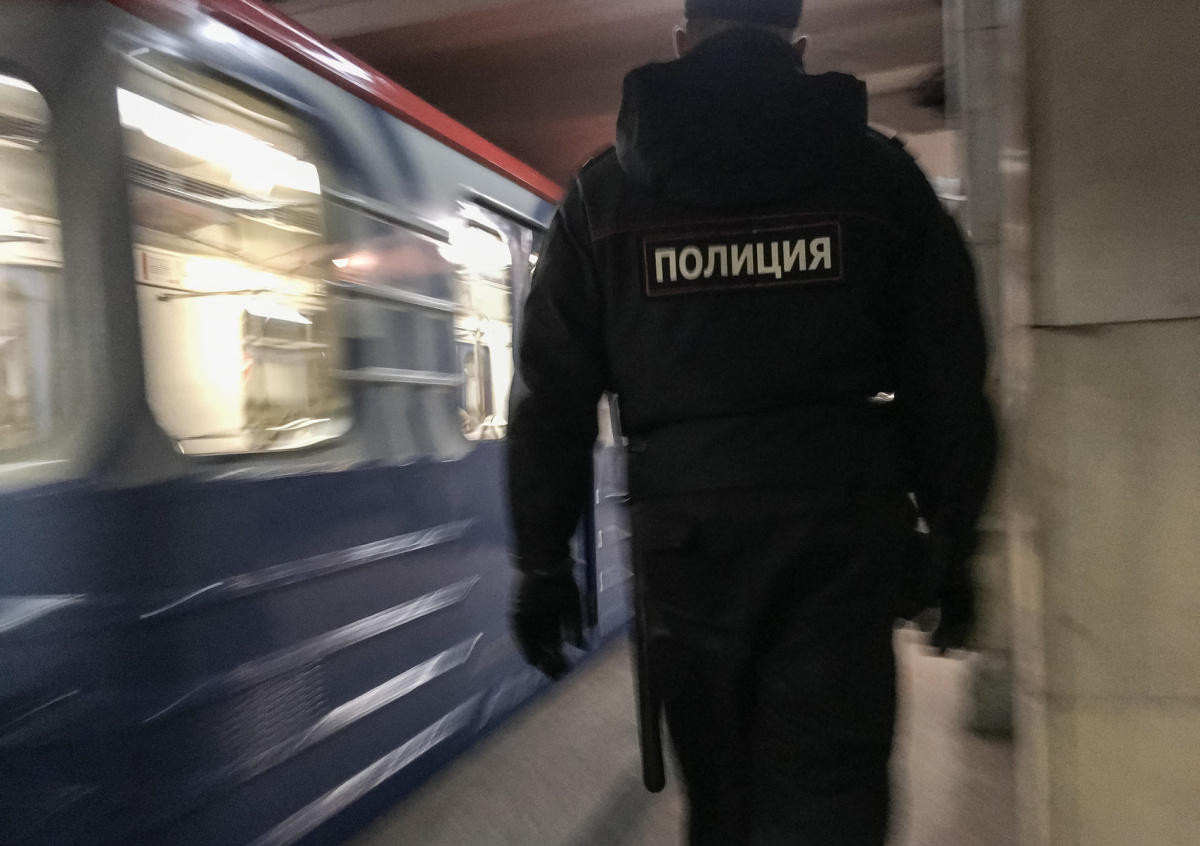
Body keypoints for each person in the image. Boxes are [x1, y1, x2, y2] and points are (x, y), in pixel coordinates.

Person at [506, 0, 998, 843]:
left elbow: (549, 402)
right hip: (842, 529)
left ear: (681, 42)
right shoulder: (881, 180)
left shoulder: (603, 198)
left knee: (722, 798)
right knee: (833, 787)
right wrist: (956, 538)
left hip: (686, 541)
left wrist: (544, 563)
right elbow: (947, 377)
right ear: (798, 48)